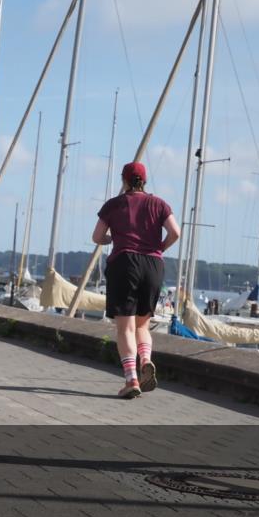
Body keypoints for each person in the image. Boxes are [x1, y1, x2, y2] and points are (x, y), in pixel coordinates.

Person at [92, 162, 180, 399]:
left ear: (124, 180)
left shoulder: (114, 204)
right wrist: (159, 247)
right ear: (145, 180)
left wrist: (112, 238)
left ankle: (131, 378)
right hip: (153, 265)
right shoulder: (159, 204)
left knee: (125, 328)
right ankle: (146, 361)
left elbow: (97, 236)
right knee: (142, 324)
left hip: (124, 263)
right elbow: (175, 232)